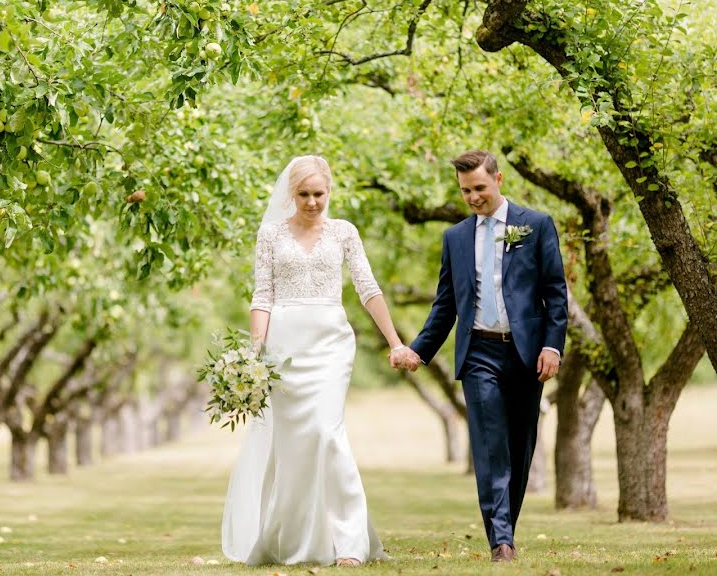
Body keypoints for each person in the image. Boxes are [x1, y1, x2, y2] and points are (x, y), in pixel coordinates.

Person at [221, 156, 404, 567]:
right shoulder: (270, 234)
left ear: (329, 191)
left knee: (326, 433)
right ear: (291, 194)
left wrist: (394, 341)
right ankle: (290, 539)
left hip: (330, 344)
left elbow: (367, 287)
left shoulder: (344, 233)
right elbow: (262, 295)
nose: (311, 202)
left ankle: (350, 542)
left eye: (318, 193)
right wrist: (254, 353)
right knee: (293, 446)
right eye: (303, 194)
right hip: (283, 349)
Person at [392, 150, 567, 562]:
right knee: (490, 446)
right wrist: (419, 351)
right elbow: (445, 305)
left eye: (479, 188)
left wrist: (552, 345)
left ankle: (506, 527)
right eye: (466, 191)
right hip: (478, 353)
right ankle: (501, 542)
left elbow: (555, 293)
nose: (473, 197)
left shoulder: (536, 226)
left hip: (526, 354)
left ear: (499, 179)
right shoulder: (454, 238)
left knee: (520, 447)